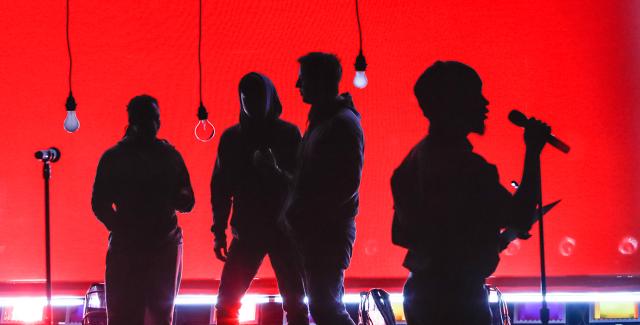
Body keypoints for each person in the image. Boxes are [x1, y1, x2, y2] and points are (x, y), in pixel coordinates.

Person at [391, 61, 550, 324]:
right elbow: (521, 216)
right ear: (454, 104)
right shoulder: (469, 168)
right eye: (476, 94)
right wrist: (532, 151)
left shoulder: (412, 162)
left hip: (423, 293)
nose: (485, 103)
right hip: (458, 300)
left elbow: (402, 234)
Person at [211, 72, 309, 325]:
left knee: (295, 300)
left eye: (255, 97)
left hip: (279, 231)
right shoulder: (234, 138)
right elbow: (220, 188)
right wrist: (219, 230)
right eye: (246, 98)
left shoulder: (286, 135)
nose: (251, 103)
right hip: (253, 230)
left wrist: (274, 172)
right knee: (227, 302)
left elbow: (303, 184)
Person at [91, 95, 195, 325]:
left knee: (134, 315)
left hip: (148, 246)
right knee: (142, 315)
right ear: (134, 120)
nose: (155, 125)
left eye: (155, 119)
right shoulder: (167, 156)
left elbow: (99, 204)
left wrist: (122, 226)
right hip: (151, 245)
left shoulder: (116, 157)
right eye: (150, 119)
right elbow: (99, 203)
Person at [283, 52, 365, 325]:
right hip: (320, 235)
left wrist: (307, 214)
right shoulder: (327, 121)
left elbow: (344, 186)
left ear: (320, 81)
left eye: (303, 78)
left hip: (324, 236)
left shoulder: (338, 124)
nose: (297, 85)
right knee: (325, 307)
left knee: (326, 309)